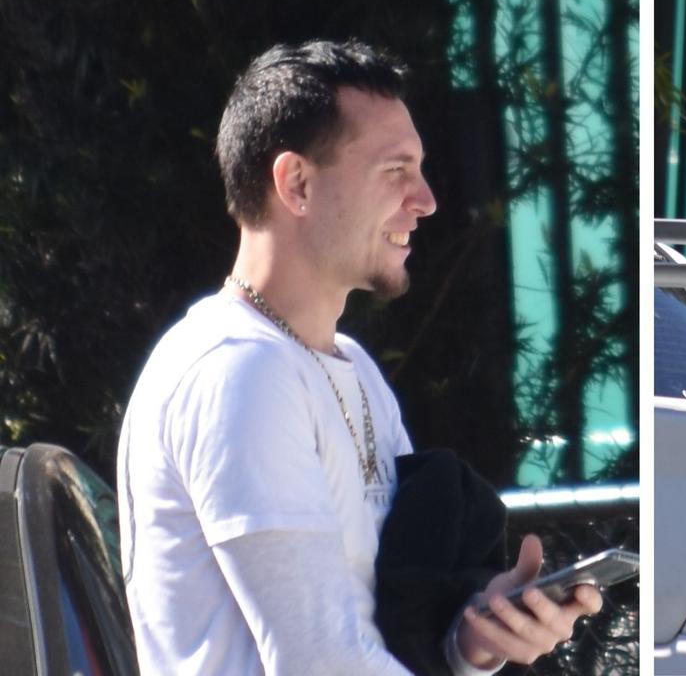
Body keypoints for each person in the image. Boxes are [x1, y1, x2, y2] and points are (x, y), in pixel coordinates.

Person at [116, 39, 601, 675]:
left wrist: (473, 640)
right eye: (395, 170)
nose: (425, 200)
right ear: (296, 183)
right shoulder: (237, 372)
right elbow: (319, 662)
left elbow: (374, 629)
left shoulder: (350, 367)